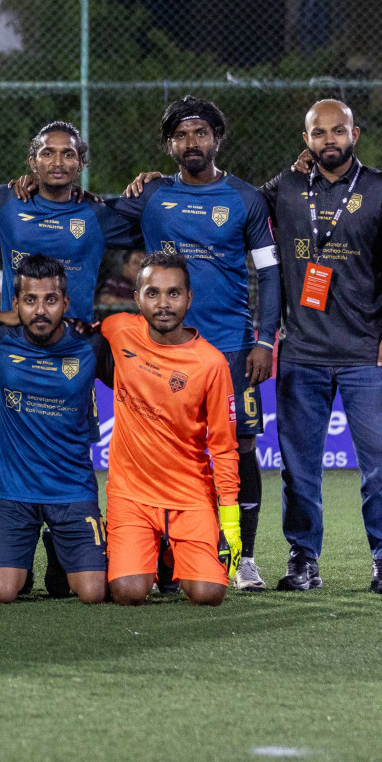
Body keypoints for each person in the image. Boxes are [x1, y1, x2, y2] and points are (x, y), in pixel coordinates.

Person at [115, 97, 279, 590]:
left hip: (229, 347)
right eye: (183, 135)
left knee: (240, 445)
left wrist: (265, 340)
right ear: (170, 145)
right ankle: (166, 557)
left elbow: (270, 275)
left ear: (216, 140)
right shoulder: (153, 197)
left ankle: (243, 555)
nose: (193, 143)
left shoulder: (246, 199)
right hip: (164, 348)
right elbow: (94, 220)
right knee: (170, 446)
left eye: (201, 134)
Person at [262, 100, 382, 593]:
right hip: (301, 353)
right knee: (299, 469)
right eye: (319, 132)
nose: (329, 139)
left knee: (379, 467)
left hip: (366, 352)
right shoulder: (283, 187)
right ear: (306, 139)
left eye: (338, 130)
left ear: (355, 134)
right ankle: (304, 559)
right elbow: (229, 202)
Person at [97, 251, 239, 607]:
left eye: (173, 293)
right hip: (131, 493)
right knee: (128, 592)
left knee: (208, 595)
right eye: (153, 293)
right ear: (137, 298)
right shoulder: (118, 330)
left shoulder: (212, 364)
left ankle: (173, 552)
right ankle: (142, 553)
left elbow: (223, 446)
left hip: (189, 495)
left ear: (189, 298)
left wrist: (231, 517)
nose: (163, 303)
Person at [0, 255, 105, 604]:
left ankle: (58, 550)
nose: (40, 310)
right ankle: (24, 561)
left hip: (71, 489)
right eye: (30, 300)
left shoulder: (91, 346)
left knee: (94, 594)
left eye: (50, 300)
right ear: (16, 304)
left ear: (65, 303)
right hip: (13, 490)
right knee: (0, 593)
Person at [0, 121, 139, 326]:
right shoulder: (7, 201)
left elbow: (161, 222)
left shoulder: (97, 214)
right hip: (16, 344)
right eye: (48, 153)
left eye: (68, 154)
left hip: (75, 344)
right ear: (33, 162)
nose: (58, 162)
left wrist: (158, 184)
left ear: (80, 164)